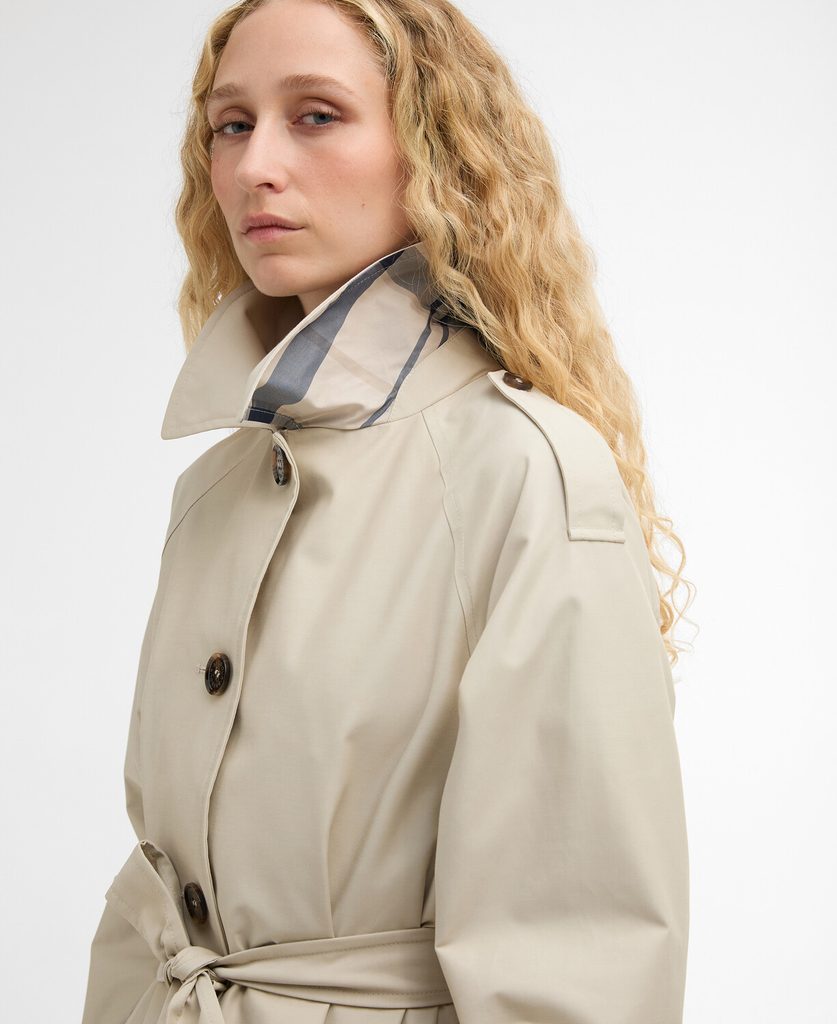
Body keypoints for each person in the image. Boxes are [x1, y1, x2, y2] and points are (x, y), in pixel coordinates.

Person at [80, 0, 693, 1021]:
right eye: (231, 125)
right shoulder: (217, 485)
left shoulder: (524, 472)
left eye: (315, 116)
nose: (254, 166)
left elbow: (579, 951)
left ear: (433, 150)